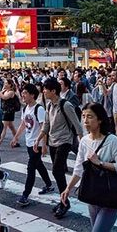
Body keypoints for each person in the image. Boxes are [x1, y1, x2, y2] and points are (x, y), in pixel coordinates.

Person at [60, 102, 117, 231]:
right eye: (83, 116)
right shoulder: (84, 141)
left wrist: (100, 163)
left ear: (100, 119)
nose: (85, 120)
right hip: (93, 194)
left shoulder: (112, 140)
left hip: (110, 196)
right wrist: (68, 189)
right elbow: (78, 168)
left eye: (90, 117)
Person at [35, 78, 83, 219]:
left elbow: (77, 124)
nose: (43, 91)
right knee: (58, 172)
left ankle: (65, 202)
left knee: (57, 170)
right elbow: (46, 125)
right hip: (53, 141)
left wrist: (82, 143)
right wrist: (38, 139)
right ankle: (63, 199)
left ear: (53, 91)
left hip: (64, 141)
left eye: (45, 89)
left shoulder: (65, 105)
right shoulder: (49, 105)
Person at [11, 83, 54, 206]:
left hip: (37, 144)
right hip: (29, 142)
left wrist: (44, 145)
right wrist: (16, 137)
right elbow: (23, 124)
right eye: (22, 93)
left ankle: (25, 195)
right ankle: (49, 185)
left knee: (31, 168)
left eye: (25, 93)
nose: (22, 95)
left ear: (32, 95)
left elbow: (43, 128)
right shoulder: (26, 108)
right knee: (38, 165)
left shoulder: (38, 109)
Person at [0, 79, 19, 147]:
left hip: (9, 111)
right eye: (5, 83)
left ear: (10, 84)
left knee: (4, 127)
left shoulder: (11, 92)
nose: (5, 84)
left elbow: (4, 97)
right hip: (5, 111)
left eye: (6, 83)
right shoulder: (5, 90)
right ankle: (16, 140)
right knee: (11, 127)